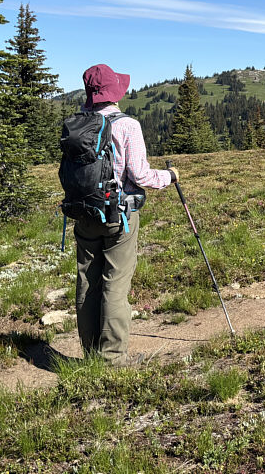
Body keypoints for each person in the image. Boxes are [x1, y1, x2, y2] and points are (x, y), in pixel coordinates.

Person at [73, 64, 179, 366]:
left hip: (84, 214)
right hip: (119, 214)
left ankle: (91, 354)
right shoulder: (127, 125)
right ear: (115, 92)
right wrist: (170, 176)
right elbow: (141, 175)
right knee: (114, 284)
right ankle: (113, 360)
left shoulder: (77, 125)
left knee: (87, 281)